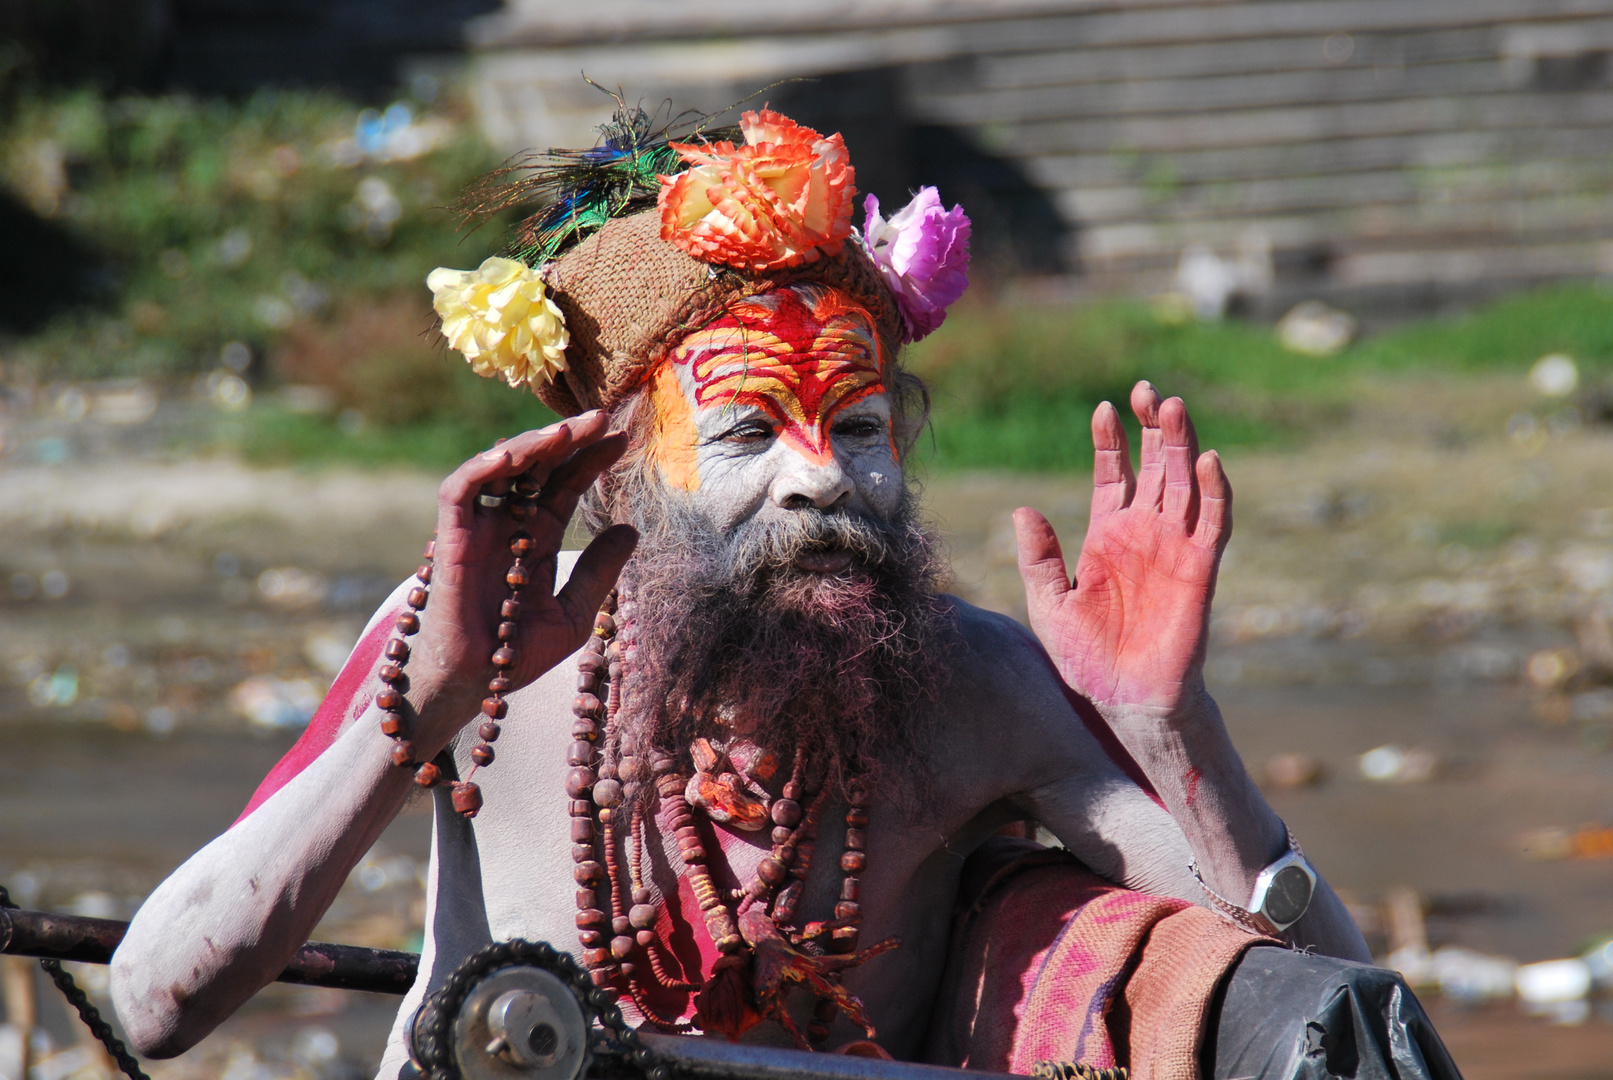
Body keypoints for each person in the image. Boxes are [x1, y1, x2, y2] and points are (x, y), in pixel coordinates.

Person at [110, 104, 1458, 1080]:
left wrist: (1168, 725)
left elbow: (1345, 1017)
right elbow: (156, 1003)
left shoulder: (977, 683)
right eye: (752, 434)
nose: (827, 483)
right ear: (612, 475)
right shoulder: (474, 646)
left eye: (860, 430)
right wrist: (421, 710)